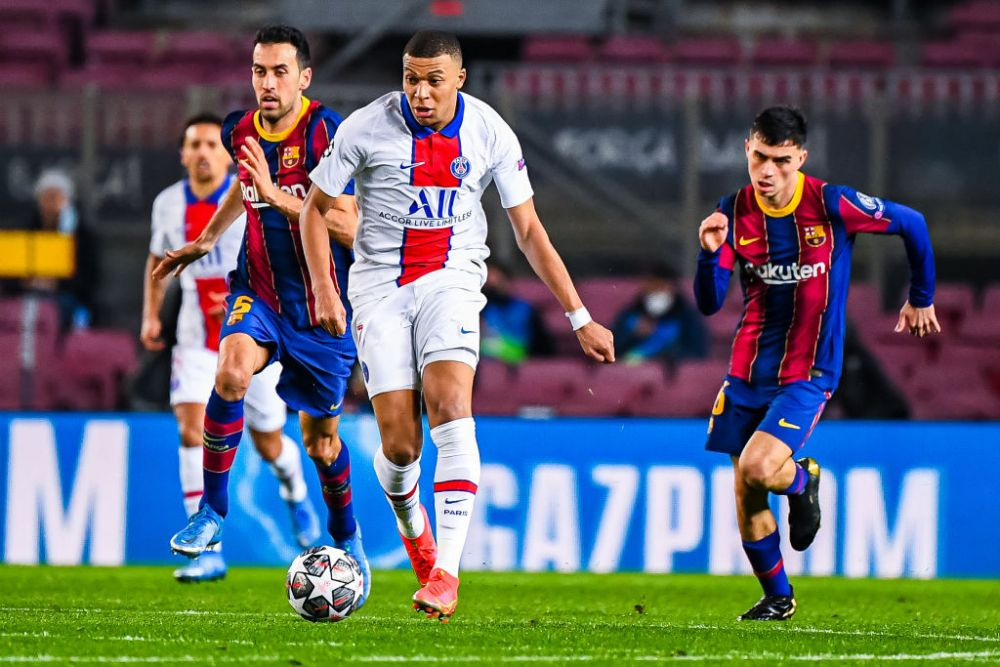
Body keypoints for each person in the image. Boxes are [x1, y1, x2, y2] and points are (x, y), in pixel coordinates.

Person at [300, 30, 615, 621]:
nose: (420, 92)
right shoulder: (366, 128)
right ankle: (414, 530)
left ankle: (445, 572)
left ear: (460, 79)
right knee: (400, 447)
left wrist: (580, 316)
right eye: (410, 79)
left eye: (433, 80)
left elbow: (528, 230)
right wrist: (324, 288)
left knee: (450, 407)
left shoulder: (490, 131)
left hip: (453, 280)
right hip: (379, 289)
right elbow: (314, 212)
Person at [152, 26, 371, 607]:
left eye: (279, 72)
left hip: (322, 309)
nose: (267, 83)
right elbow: (242, 187)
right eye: (258, 71)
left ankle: (347, 536)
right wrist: (207, 239)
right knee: (229, 372)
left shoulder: (327, 131)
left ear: (304, 77)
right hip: (260, 293)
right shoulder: (238, 129)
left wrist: (276, 196)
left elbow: (350, 226)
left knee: (321, 445)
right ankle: (211, 513)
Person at [694, 106, 938, 621]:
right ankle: (778, 598)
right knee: (746, 488)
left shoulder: (831, 204)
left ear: (800, 158)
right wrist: (709, 253)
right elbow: (710, 302)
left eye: (781, 160)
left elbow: (912, 224)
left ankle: (803, 480)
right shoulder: (732, 211)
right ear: (746, 149)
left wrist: (920, 297)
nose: (767, 171)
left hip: (808, 372)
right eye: (760, 157)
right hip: (747, 371)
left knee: (761, 467)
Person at [141, 113, 322, 582]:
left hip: (251, 335)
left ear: (228, 157)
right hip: (195, 340)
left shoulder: (252, 195)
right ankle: (207, 550)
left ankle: (295, 492)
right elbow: (157, 257)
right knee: (190, 428)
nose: (203, 152)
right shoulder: (167, 204)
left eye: (211, 145)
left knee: (268, 443)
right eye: (194, 145)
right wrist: (151, 314)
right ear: (182, 154)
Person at [0, 169, 98, 330]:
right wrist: (27, 281)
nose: (51, 204)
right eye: (47, 197)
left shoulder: (80, 236)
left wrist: (56, 283)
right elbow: (9, 274)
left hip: (64, 298)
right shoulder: (26, 231)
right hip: (25, 296)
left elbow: (87, 278)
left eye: (56, 197)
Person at [612, 263, 707, 366]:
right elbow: (613, 348)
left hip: (671, 372)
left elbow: (697, 352)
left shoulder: (688, 317)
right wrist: (634, 335)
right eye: (652, 287)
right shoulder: (631, 314)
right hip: (629, 371)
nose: (656, 292)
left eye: (661, 287)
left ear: (673, 288)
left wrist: (666, 356)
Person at [480, 262, 554, 364]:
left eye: (497, 280)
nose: (492, 284)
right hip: (488, 355)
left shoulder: (525, 308)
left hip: (523, 354)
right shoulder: (483, 308)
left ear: (506, 281)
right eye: (488, 282)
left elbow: (541, 343)